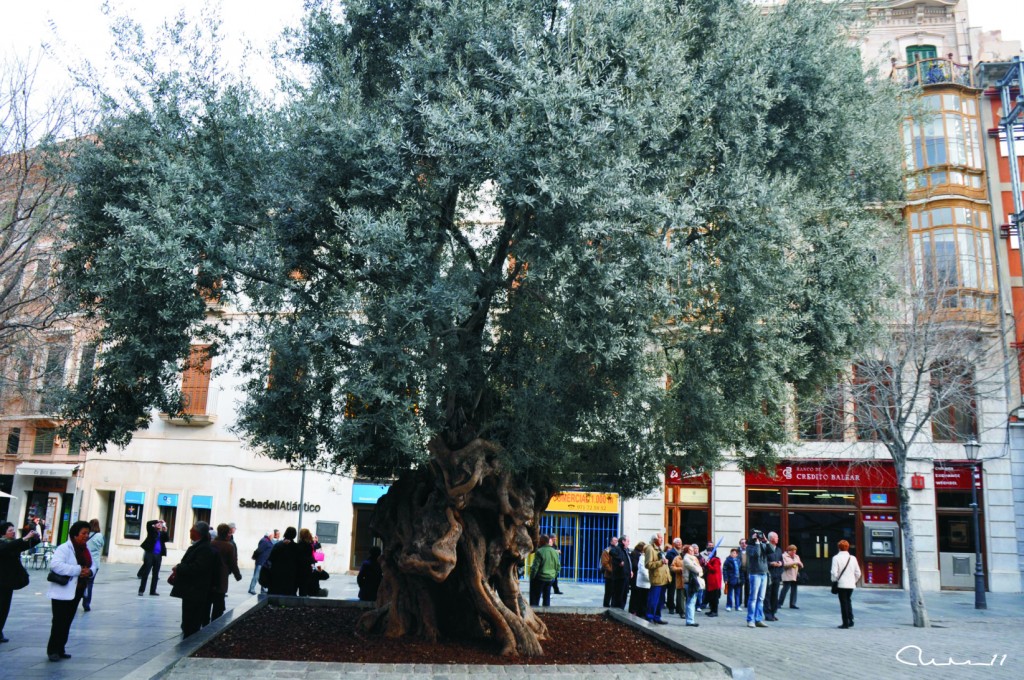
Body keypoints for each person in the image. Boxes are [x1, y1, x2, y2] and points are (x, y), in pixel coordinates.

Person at [46, 520, 93, 662]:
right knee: (59, 621)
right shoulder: (64, 548)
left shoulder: (85, 549)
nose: (86, 536)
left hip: (77, 590)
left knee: (67, 621)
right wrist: (78, 570)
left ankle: (61, 648)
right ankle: (53, 650)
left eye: (88, 533)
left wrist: (89, 571)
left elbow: (92, 564)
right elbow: (56, 565)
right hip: (62, 591)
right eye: (83, 533)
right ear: (75, 534)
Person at [169, 521, 219, 638]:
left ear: (197, 533)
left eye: (192, 530)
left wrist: (179, 568)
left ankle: (189, 641)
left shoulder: (204, 548)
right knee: (188, 619)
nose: (190, 532)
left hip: (195, 590)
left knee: (192, 620)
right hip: (191, 590)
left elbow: (198, 568)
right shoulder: (199, 546)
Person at [0, 521, 40, 643]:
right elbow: (9, 547)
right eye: (10, 531)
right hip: (2, 580)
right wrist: (25, 538)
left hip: (8, 581)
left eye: (13, 530)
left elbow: (23, 546)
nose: (13, 532)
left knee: (4, 608)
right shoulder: (3, 544)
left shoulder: (12, 543)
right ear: (3, 533)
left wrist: (35, 539)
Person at [210, 523, 242, 620]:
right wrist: (237, 575)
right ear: (227, 533)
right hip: (222, 576)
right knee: (219, 602)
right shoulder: (229, 546)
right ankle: (215, 622)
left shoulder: (211, 543)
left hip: (210, 575)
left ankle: (205, 622)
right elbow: (233, 563)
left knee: (208, 601)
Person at [831, 539, 862, 629]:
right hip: (851, 584)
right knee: (848, 601)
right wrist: (854, 580)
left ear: (839, 548)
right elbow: (858, 573)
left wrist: (835, 580)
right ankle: (850, 620)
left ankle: (845, 623)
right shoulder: (853, 558)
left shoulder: (836, 558)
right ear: (848, 547)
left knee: (843, 603)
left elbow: (834, 572)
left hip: (841, 584)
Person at [746, 529, 772, 628]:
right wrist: (756, 542)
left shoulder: (763, 545)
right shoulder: (749, 547)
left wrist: (766, 541)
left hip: (764, 574)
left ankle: (758, 619)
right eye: (757, 535)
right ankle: (750, 620)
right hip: (755, 574)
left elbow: (771, 551)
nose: (759, 536)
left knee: (761, 598)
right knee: (753, 598)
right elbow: (756, 554)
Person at [267, 527, 303, 596]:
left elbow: (271, 558)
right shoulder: (296, 547)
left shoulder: (278, 545)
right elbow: (299, 561)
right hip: (290, 576)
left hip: (277, 574)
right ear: (294, 535)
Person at [643, 534, 669, 624]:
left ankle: (657, 617)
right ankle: (649, 616)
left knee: (661, 601)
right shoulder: (650, 549)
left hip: (663, 578)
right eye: (660, 538)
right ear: (655, 539)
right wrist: (661, 562)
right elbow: (648, 564)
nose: (662, 539)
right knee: (653, 600)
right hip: (656, 578)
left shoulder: (659, 549)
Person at [137, 519, 168, 596]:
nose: (159, 524)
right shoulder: (151, 531)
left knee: (156, 574)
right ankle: (141, 590)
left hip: (158, 556)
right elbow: (148, 523)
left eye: (160, 524)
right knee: (146, 573)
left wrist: (165, 531)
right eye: (158, 524)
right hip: (150, 554)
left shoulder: (161, 533)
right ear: (154, 525)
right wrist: (157, 520)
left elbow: (166, 539)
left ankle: (153, 591)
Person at [528, 534, 560, 607]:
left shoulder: (540, 551)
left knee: (535, 597)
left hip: (540, 577)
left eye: (539, 541)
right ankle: (546, 610)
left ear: (542, 541)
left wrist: (532, 577)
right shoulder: (555, 552)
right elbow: (558, 567)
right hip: (550, 578)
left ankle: (535, 609)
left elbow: (535, 567)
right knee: (547, 597)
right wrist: (553, 576)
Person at [82, 519, 104, 612]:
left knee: (81, 582)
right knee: (90, 583)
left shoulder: (86, 535)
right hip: (95, 563)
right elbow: (102, 544)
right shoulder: (99, 535)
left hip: (85, 561)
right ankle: (86, 603)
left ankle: (80, 596)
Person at [681, 544, 704, 627]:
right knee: (691, 601)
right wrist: (699, 569)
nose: (693, 551)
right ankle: (690, 621)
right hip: (690, 582)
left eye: (693, 550)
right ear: (687, 551)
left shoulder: (693, 558)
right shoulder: (687, 559)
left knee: (691, 601)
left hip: (693, 582)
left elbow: (700, 570)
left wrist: (699, 570)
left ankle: (690, 619)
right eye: (690, 550)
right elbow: (696, 569)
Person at [764, 531, 784, 622]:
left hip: (777, 576)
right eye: (776, 537)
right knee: (768, 595)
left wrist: (780, 563)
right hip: (769, 575)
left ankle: (773, 613)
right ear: (771, 538)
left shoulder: (779, 550)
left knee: (775, 595)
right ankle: (767, 614)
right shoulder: (766, 549)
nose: (778, 538)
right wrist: (771, 563)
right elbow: (763, 562)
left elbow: (782, 561)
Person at [249, 531, 274, 595]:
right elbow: (259, 550)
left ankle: (263, 589)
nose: (273, 536)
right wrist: (254, 556)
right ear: (269, 535)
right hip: (261, 561)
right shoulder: (264, 541)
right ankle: (251, 589)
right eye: (272, 535)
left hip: (265, 562)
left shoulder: (268, 541)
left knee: (263, 576)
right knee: (256, 575)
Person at [780, 544, 804, 609]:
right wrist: (794, 563)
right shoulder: (784, 556)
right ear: (789, 551)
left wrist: (799, 564)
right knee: (785, 589)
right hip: (787, 575)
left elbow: (801, 564)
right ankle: (779, 603)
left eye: (795, 551)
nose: (794, 553)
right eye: (793, 551)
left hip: (795, 575)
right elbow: (784, 564)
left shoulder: (796, 556)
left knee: (794, 590)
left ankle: (793, 604)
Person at [611, 535, 632, 609]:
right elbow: (611, 552)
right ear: (623, 541)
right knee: (618, 596)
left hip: (626, 576)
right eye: (627, 541)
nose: (629, 543)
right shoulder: (618, 548)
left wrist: (630, 570)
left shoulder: (626, 550)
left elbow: (628, 561)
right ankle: (617, 610)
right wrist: (620, 560)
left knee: (624, 595)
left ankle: (621, 609)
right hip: (620, 577)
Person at [296, 528, 318, 596]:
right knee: (304, 589)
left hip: (298, 569)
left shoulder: (299, 544)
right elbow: (309, 557)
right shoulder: (308, 545)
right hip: (306, 569)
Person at [630, 540, 648, 617]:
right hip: (636, 576)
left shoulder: (638, 553)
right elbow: (635, 565)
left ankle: (636, 610)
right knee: (635, 594)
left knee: (638, 595)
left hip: (637, 576)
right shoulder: (635, 553)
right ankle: (633, 610)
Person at [704, 544, 722, 617]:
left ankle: (715, 611)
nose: (708, 553)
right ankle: (711, 610)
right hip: (711, 581)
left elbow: (714, 569)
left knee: (714, 598)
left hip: (715, 582)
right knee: (711, 597)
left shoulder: (716, 560)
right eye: (708, 551)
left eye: (710, 551)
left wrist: (708, 564)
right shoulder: (710, 559)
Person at [664, 538, 681, 615]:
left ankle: (678, 607)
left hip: (680, 575)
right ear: (674, 544)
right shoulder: (670, 552)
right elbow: (667, 564)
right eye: (677, 542)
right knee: (671, 591)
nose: (679, 544)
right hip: (672, 574)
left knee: (679, 592)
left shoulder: (682, 552)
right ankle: (671, 607)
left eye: (680, 542)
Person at [722, 548, 742, 612]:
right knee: (730, 593)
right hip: (731, 579)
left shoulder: (739, 560)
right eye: (732, 553)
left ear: (737, 554)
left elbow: (741, 570)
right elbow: (724, 570)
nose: (733, 554)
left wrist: (742, 579)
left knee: (738, 594)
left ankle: (737, 606)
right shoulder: (727, 561)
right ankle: (729, 606)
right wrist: (725, 579)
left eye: (734, 553)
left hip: (738, 579)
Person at [601, 536, 618, 607]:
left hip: (617, 575)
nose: (616, 541)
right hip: (610, 575)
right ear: (611, 542)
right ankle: (606, 606)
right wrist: (612, 570)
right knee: (608, 592)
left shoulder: (618, 550)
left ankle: (613, 606)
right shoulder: (607, 551)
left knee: (615, 592)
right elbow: (605, 563)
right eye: (615, 540)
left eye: (617, 540)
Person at [737, 537, 749, 607]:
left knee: (748, 588)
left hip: (748, 571)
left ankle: (746, 603)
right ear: (740, 544)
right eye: (742, 543)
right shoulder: (737, 551)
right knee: (739, 587)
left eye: (745, 543)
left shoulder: (749, 551)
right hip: (740, 571)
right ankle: (739, 603)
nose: (744, 544)